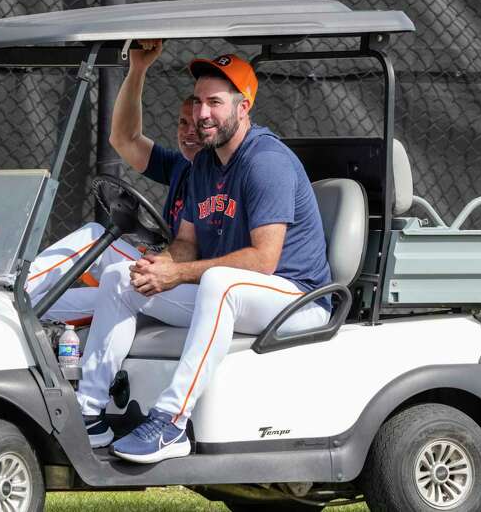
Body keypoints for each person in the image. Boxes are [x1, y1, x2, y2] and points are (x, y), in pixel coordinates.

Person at [78, 54, 333, 464]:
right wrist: (162, 265)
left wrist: (179, 273)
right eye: (197, 102)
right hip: (241, 295)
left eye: (214, 102)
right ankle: (89, 414)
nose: (201, 113)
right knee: (121, 278)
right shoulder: (205, 164)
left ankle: (171, 421)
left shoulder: (265, 161)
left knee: (219, 282)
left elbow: (264, 260)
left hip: (297, 301)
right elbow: (186, 243)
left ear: (242, 107)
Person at [25, 39, 200, 323]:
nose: (189, 131)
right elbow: (124, 139)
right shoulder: (182, 164)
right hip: (160, 276)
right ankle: (12, 297)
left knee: (96, 236)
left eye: (198, 124)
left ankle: (12, 288)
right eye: (183, 123)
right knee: (33, 309)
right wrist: (138, 68)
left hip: (184, 286)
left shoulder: (226, 173)